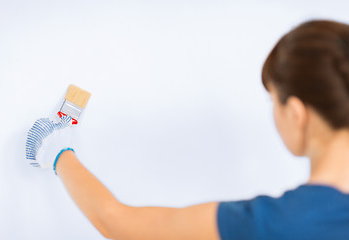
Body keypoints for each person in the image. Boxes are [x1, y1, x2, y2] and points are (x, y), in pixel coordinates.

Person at [26, 19, 349, 240]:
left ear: (295, 113)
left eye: (272, 101)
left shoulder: (281, 223)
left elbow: (117, 222)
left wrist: (58, 151)